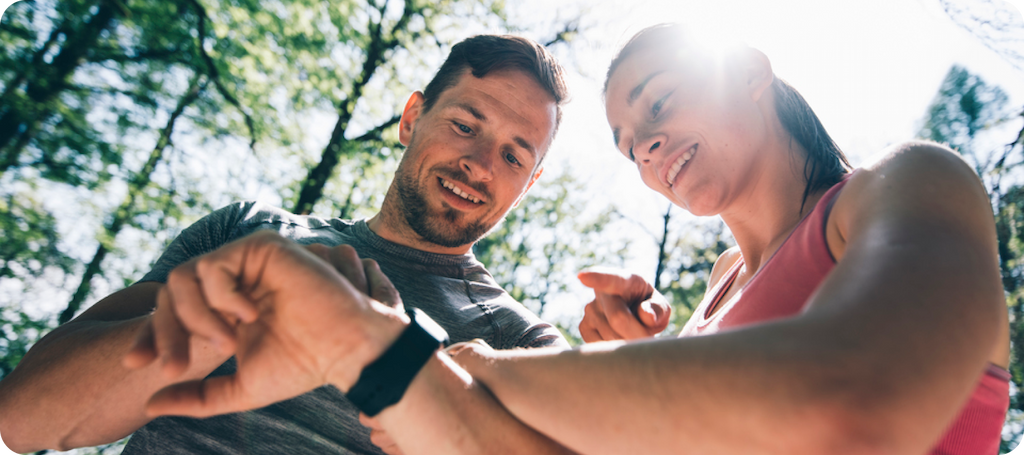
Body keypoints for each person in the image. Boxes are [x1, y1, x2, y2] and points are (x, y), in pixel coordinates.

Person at [116, 23, 1010, 455]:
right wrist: (381, 373)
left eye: (658, 103)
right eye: (628, 143)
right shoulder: (708, 309)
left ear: (746, 73)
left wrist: (458, 364)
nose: (646, 146)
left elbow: (857, 397)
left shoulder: (907, 183)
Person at [0, 34, 572, 454]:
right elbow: (19, 419)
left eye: (513, 156)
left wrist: (391, 364)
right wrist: (235, 313)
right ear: (411, 118)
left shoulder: (524, 344)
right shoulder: (246, 231)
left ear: (528, 185)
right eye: (465, 126)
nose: (479, 166)